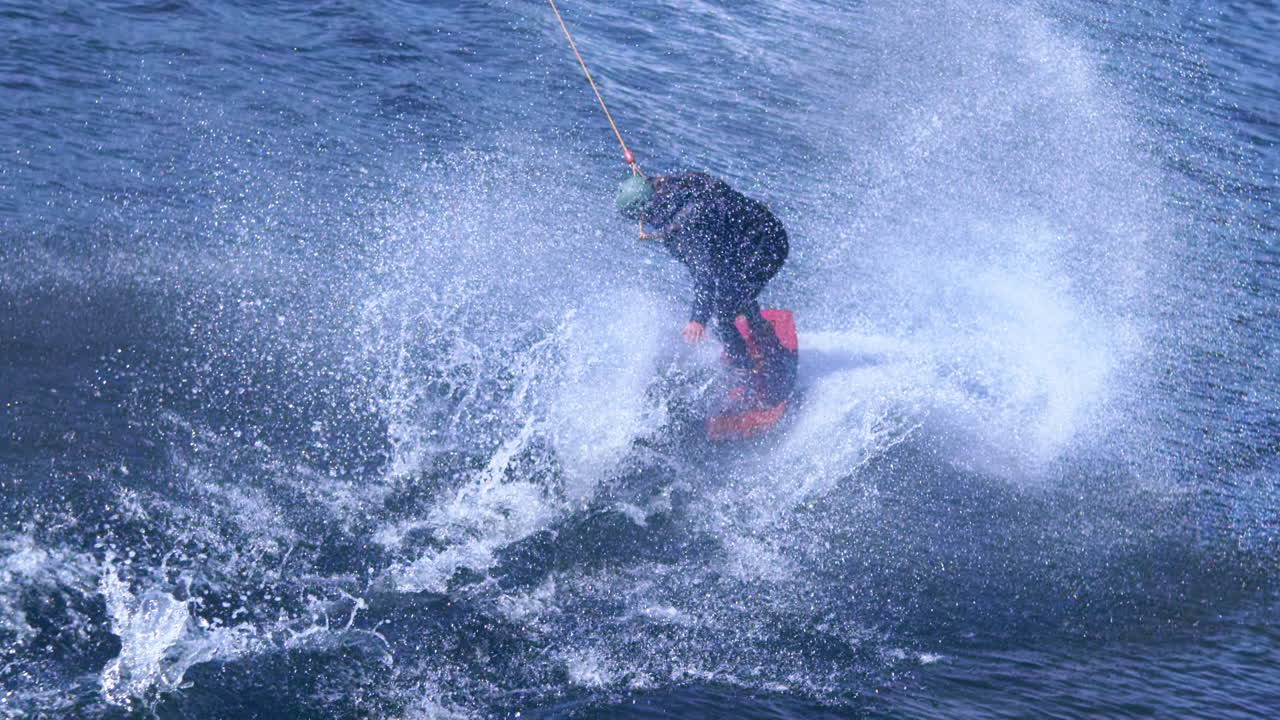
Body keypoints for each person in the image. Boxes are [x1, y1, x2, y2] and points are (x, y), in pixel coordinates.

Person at [615, 171, 789, 373]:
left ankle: (747, 369)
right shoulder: (680, 183)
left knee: (721, 313)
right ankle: (761, 330)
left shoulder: (683, 226)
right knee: (733, 290)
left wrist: (698, 319)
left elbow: (704, 275)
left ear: (645, 213)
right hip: (764, 228)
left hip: (765, 249)